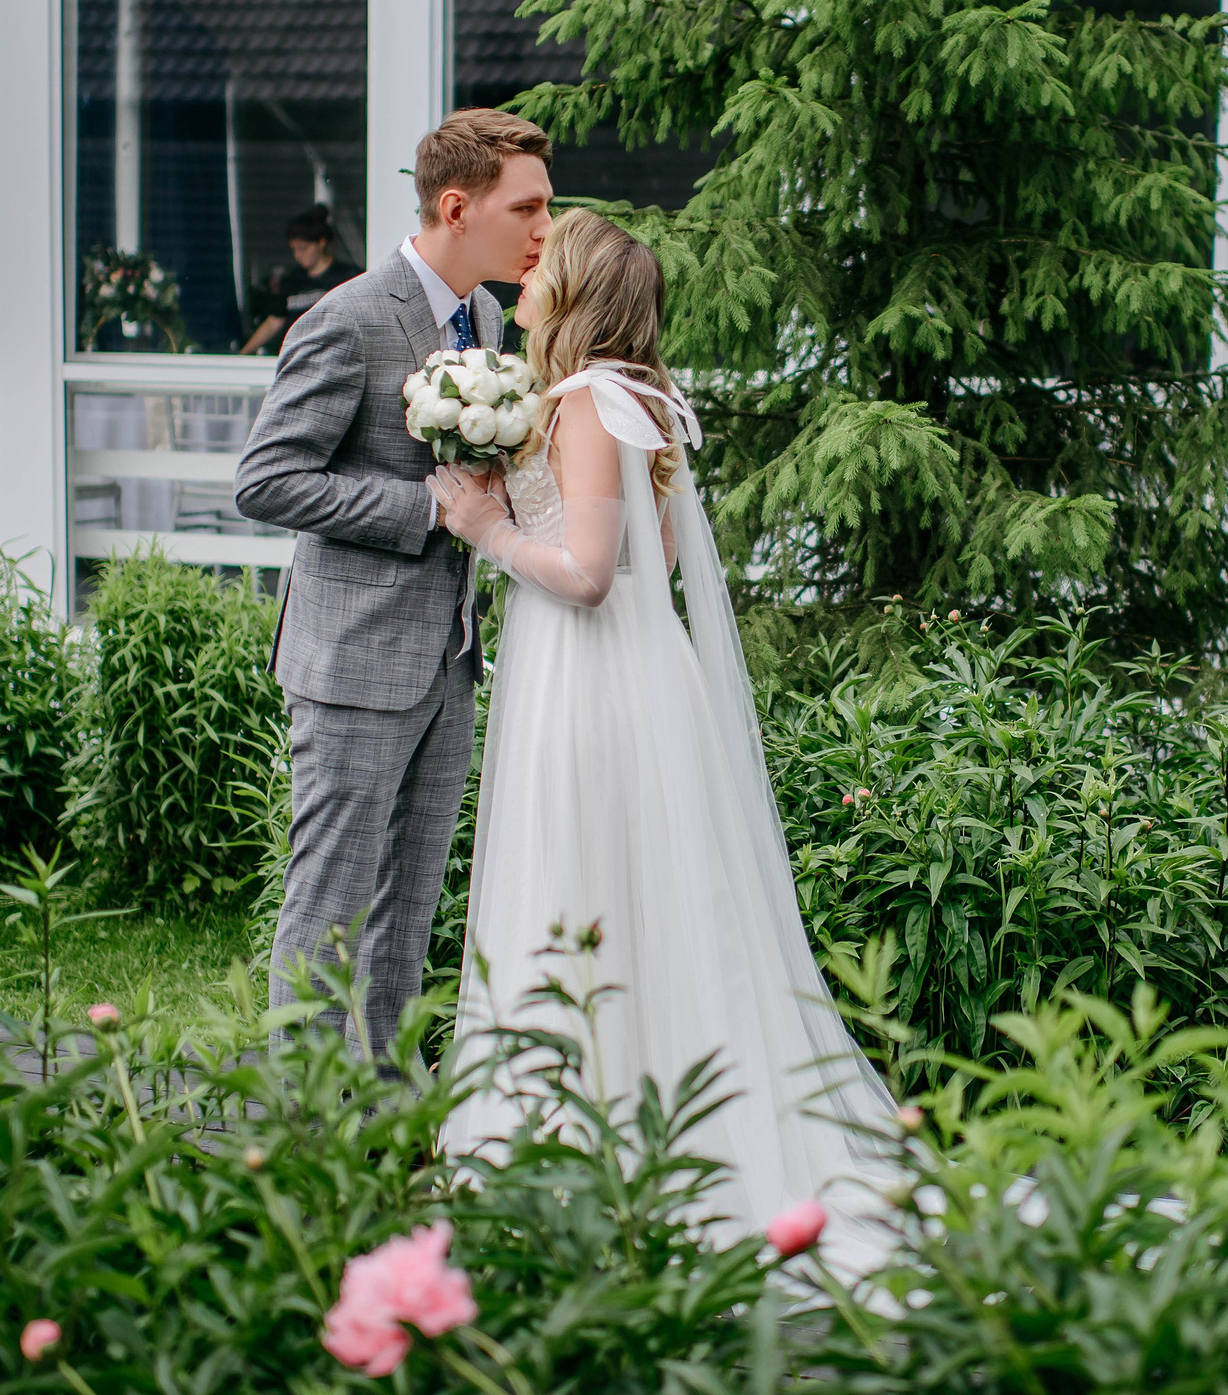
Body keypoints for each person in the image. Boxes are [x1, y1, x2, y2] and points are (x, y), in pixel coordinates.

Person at [428, 208, 897, 1258]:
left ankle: (592, 1147)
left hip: (590, 676)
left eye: (545, 261)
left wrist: (486, 525)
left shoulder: (592, 399)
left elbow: (592, 578)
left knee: (583, 881)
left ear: (577, 289)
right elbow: (661, 559)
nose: (528, 268)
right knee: (645, 893)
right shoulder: (641, 395)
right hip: (635, 676)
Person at [232, 109, 550, 1056]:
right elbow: (267, 479)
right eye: (526, 206)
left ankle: (385, 1102)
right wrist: (428, 509)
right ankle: (294, 1125)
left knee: (408, 905)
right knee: (327, 903)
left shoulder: (490, 318)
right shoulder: (348, 319)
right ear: (458, 207)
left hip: (448, 660)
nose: (545, 227)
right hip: (353, 662)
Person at [240, 203, 363, 354]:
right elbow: (274, 321)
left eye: (303, 248)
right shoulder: (292, 281)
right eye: (294, 249)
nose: (298, 255)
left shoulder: (347, 276)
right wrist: (243, 354)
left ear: (321, 242)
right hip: (297, 358)